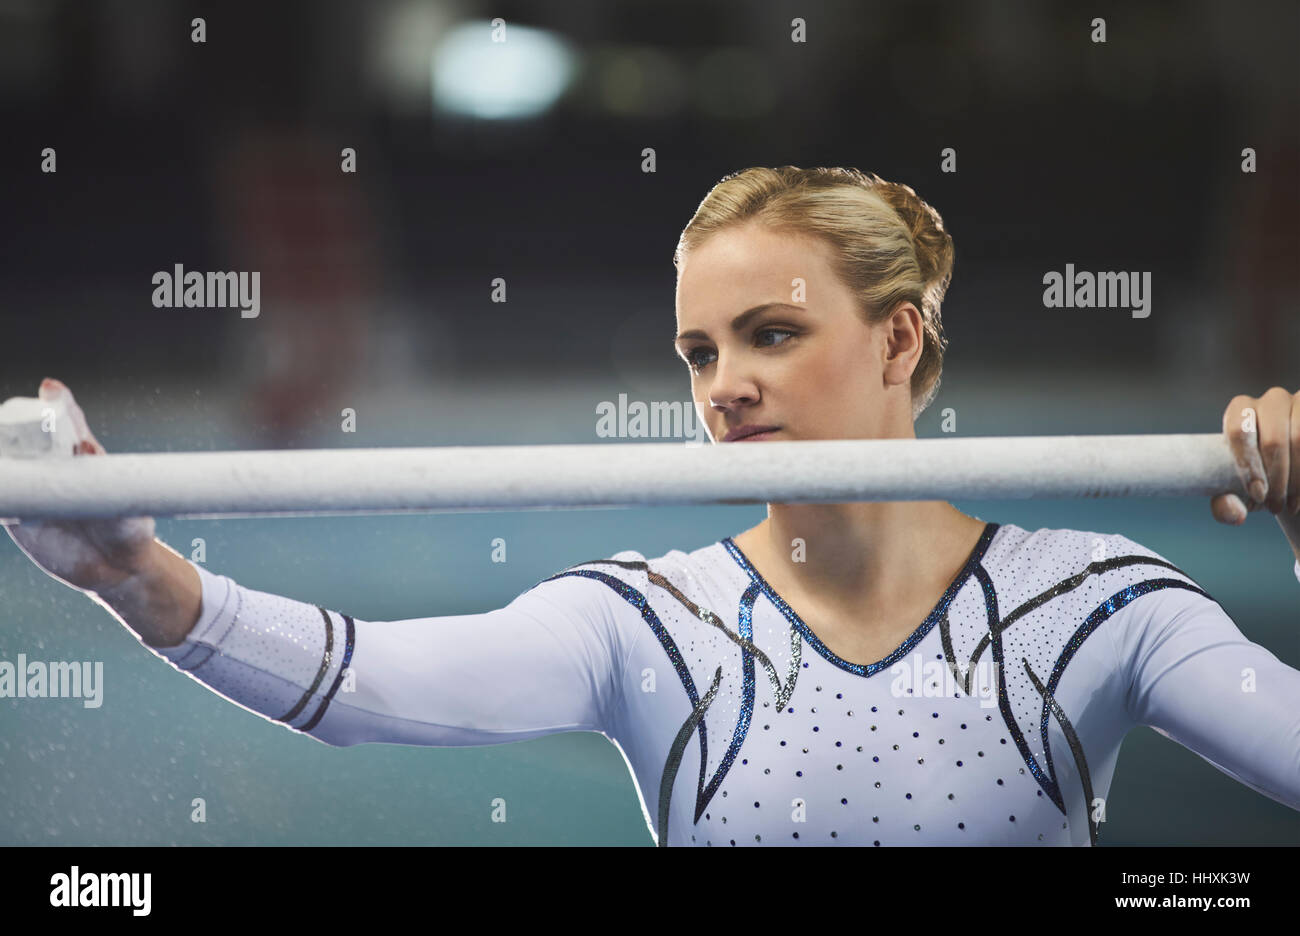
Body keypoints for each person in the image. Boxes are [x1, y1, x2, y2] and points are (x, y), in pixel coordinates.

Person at [5, 167, 1298, 847]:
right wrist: (137, 578)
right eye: (697, 352)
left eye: (771, 335)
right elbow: (367, 686)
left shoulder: (1101, 604)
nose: (724, 387)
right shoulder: (648, 623)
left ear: (900, 340)